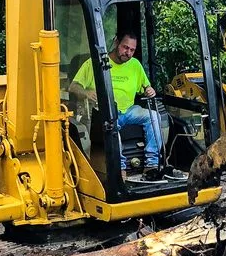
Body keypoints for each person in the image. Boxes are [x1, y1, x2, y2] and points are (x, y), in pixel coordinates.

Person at [70, 33, 163, 180]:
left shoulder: (135, 65)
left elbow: (145, 86)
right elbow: (73, 87)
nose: (128, 53)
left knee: (154, 117)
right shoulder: (94, 63)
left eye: (132, 50)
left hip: (130, 110)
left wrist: (149, 90)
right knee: (111, 123)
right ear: (116, 43)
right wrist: (87, 93)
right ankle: (119, 169)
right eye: (125, 47)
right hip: (105, 112)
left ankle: (152, 165)